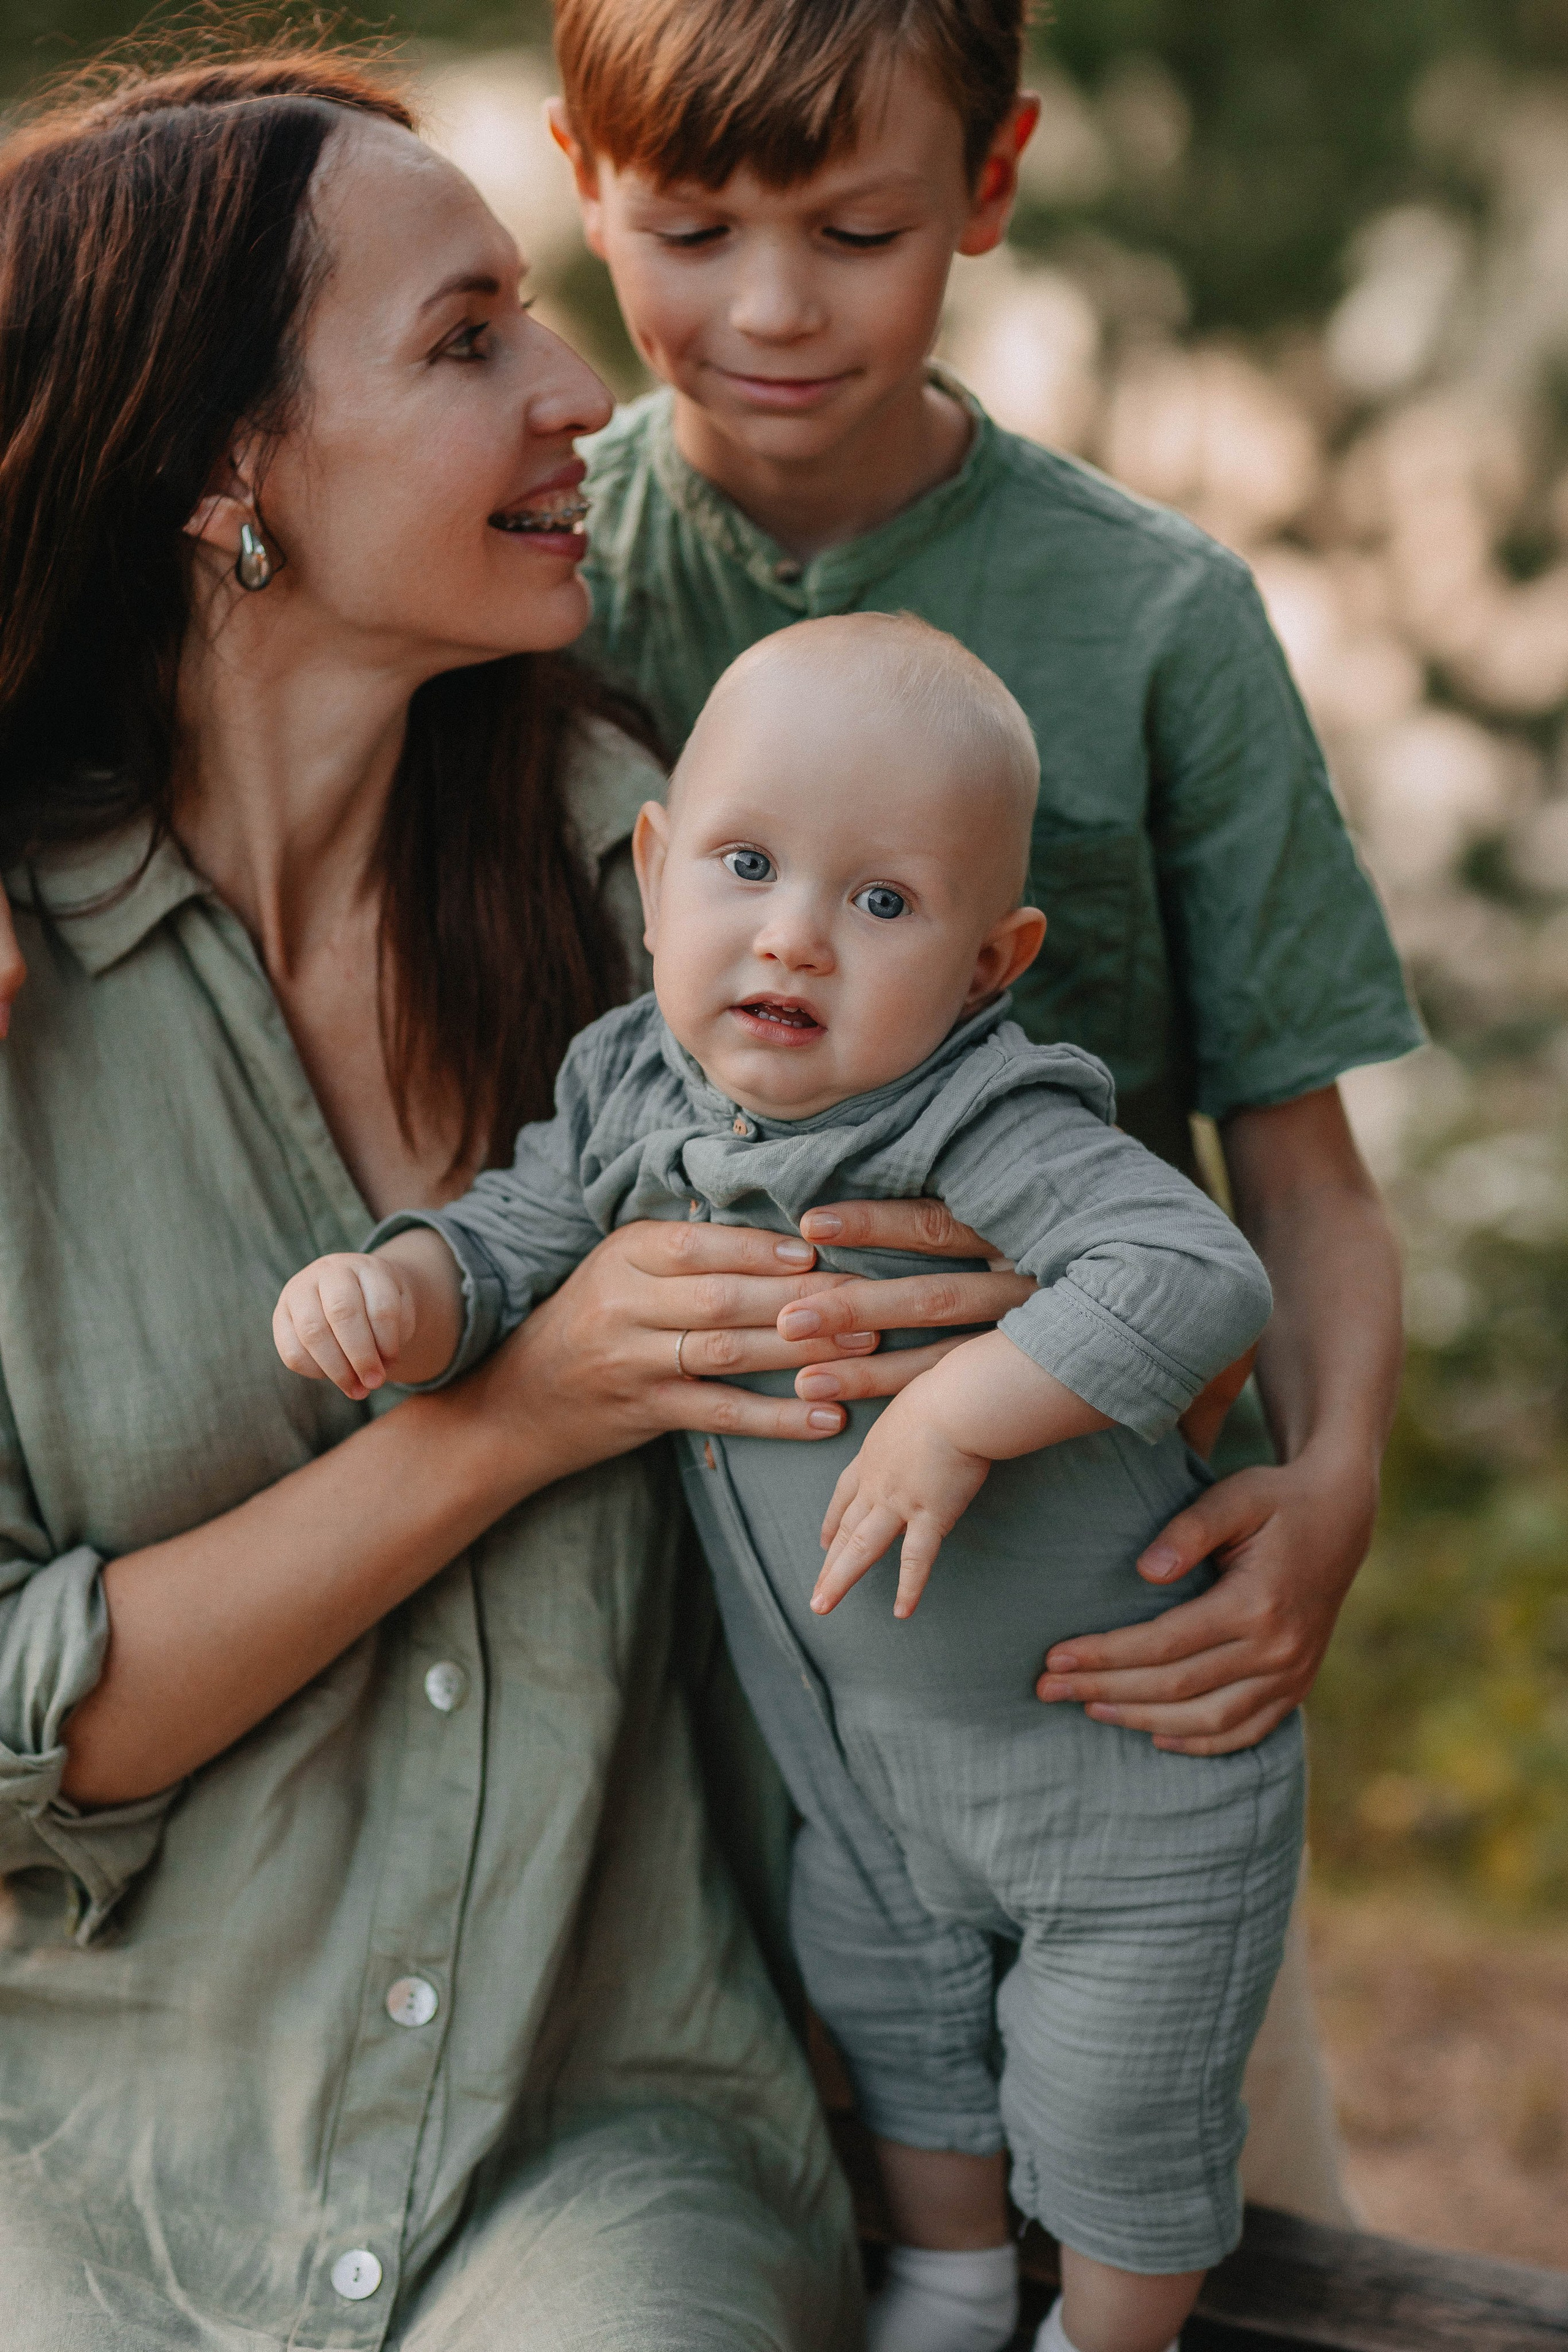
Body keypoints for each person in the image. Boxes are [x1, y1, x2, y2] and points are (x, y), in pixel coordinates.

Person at [0, 50, 1041, 2350]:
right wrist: (525, 1406)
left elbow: (959, 1239)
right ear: (217, 470)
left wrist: (991, 1302)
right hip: (63, 2146)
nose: (587, 383)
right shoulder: (11, 992)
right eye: (467, 340)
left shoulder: (658, 876)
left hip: (614, 2123)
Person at [533, 0, 1422, 2230]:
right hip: (697, 1627)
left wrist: (1327, 1499)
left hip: (1084, 1633)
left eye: (855, 230)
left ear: (995, 186)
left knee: (1179, 2196)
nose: (768, 306)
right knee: (802, 2202)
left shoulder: (1158, 620)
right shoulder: (528, 588)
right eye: (692, 226)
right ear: (578, 180)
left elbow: (1299, 1176)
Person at [276, 612, 1296, 2352]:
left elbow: (1198, 1275)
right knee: (896, 2038)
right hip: (859, 1775)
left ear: (990, 962)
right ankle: (957, 2286)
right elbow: (516, 1236)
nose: (796, 939)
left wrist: (964, 1406)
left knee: (1118, 2112)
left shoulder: (987, 1118)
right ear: (659, 869)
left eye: (884, 904)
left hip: (1114, 1771)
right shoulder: (625, 1086)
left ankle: (1108, 2339)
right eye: (746, 866)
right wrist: (404, 1290)